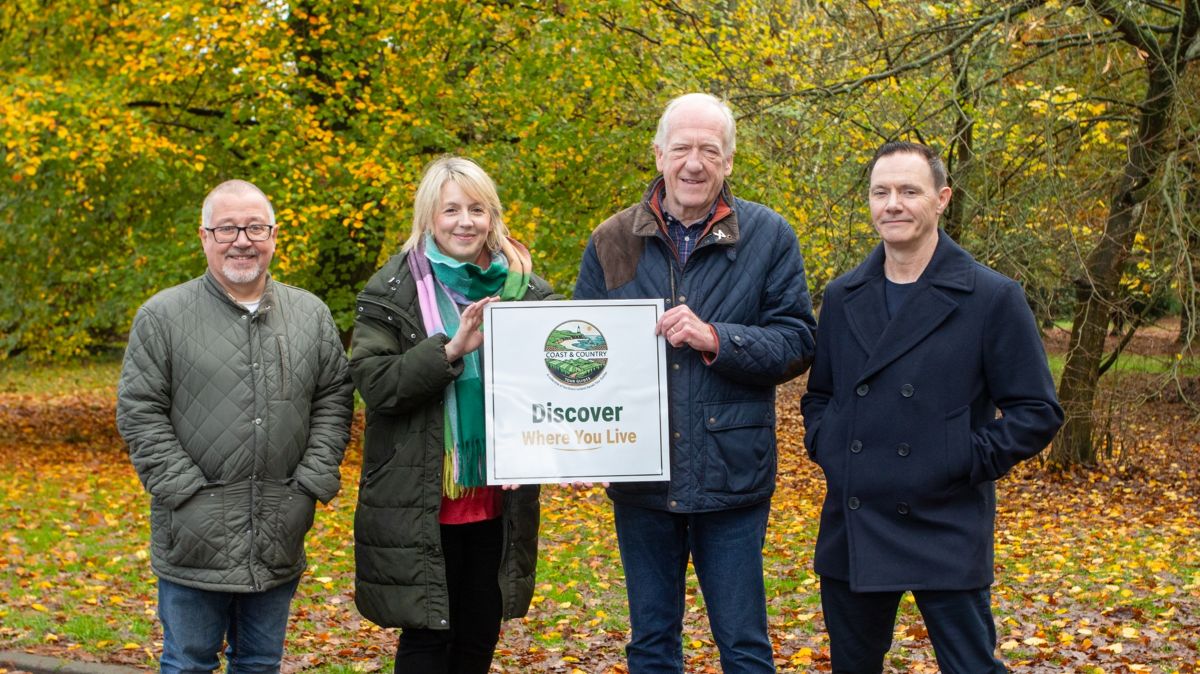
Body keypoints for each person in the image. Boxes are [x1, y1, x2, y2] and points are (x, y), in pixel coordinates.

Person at [573, 93, 817, 673]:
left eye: (710, 149)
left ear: (729, 162)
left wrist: (718, 338)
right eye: (681, 148)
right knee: (651, 644)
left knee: (744, 645)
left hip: (730, 472)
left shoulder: (768, 235)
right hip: (642, 476)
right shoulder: (612, 240)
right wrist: (562, 444)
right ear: (658, 154)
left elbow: (798, 341)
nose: (694, 163)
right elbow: (579, 350)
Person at [800, 141, 1064, 673]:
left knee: (970, 667)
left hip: (947, 518)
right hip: (857, 518)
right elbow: (820, 395)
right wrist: (828, 444)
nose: (892, 204)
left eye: (908, 191)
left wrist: (958, 458)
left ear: (941, 199)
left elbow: (1037, 411)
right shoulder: (843, 294)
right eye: (881, 192)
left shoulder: (991, 296)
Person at [116, 180, 354, 674]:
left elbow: (334, 396)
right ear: (204, 236)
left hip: (279, 528)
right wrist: (185, 493)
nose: (241, 240)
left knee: (261, 663)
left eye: (254, 227)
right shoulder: (162, 316)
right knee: (188, 663)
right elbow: (140, 410)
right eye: (227, 228)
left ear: (274, 235)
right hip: (193, 534)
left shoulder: (310, 314)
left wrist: (310, 483)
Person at [350, 156, 560, 673]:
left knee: (477, 637)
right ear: (429, 217)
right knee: (427, 642)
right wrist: (450, 350)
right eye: (451, 210)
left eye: (477, 208)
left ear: (493, 216)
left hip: (496, 499)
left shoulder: (527, 291)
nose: (465, 221)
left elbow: (548, 389)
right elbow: (377, 386)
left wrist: (536, 452)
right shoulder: (392, 289)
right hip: (419, 499)